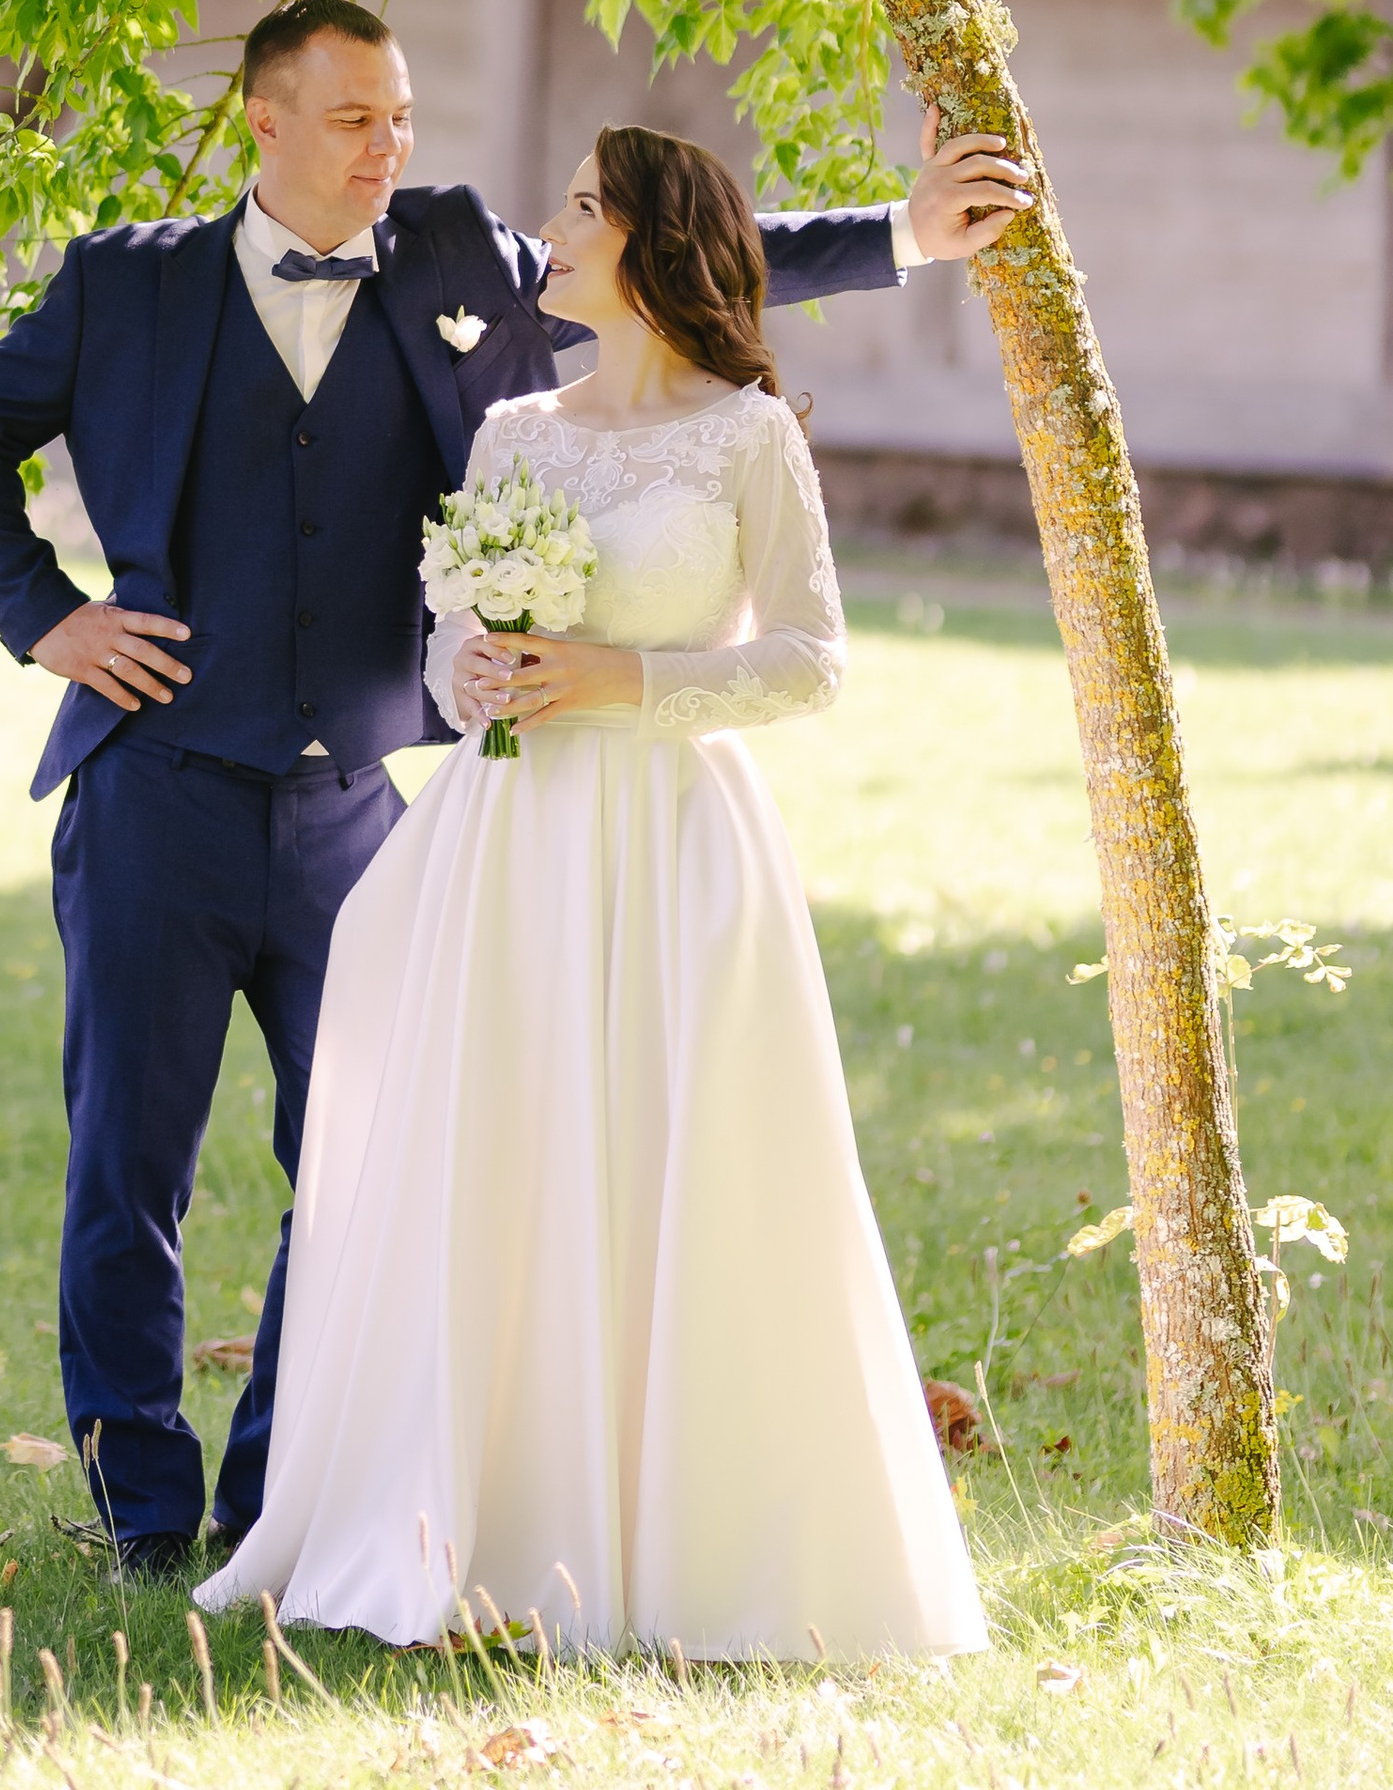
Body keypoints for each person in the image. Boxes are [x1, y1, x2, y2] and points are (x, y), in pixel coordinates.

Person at [0, 0, 1028, 1573]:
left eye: (404, 116)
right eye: (357, 117)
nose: (392, 146)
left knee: (363, 1170)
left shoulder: (450, 261)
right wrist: (49, 620)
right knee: (126, 1174)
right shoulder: (127, 286)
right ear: (267, 122)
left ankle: (277, 1496)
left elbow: (690, 251)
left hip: (358, 814)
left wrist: (906, 235)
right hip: (154, 791)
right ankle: (141, 1519)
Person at [195, 123, 987, 1660]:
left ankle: (680, 1536)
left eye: (577, 209)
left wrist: (618, 676)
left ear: (649, 243)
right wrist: (471, 664)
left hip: (674, 846)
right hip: (512, 839)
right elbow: (446, 635)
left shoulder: (750, 436)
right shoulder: (517, 433)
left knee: (668, 1157)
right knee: (501, 1152)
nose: (546, 233)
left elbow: (814, 660)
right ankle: (478, 1520)